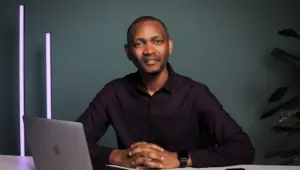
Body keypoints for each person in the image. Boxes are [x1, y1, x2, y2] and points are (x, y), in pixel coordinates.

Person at [76, 16, 255, 169]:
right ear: (128, 52)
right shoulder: (113, 93)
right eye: (139, 43)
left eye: (157, 41)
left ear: (169, 46)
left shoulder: (196, 92)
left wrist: (180, 159)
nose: (149, 51)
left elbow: (242, 148)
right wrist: (118, 157)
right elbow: (72, 145)